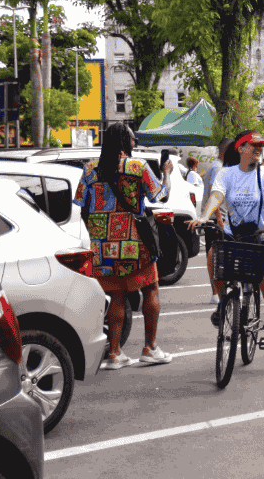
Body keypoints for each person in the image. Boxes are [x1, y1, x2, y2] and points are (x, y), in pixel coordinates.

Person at [74, 122, 174, 369]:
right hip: (134, 243)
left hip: (103, 246)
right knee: (150, 288)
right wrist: (167, 173)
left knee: (117, 295)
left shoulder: (89, 170)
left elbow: (79, 204)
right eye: (132, 139)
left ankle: (115, 353)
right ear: (124, 142)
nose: (134, 143)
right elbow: (161, 196)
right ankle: (150, 348)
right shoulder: (137, 167)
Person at [191, 130, 264, 372]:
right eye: (253, 145)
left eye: (261, 146)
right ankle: (221, 300)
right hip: (236, 236)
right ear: (241, 148)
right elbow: (217, 196)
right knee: (214, 254)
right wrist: (204, 216)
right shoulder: (227, 174)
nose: (259, 149)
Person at [202, 138, 233, 304]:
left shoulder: (220, 166)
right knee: (215, 257)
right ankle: (216, 292)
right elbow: (215, 195)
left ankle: (219, 291)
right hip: (216, 219)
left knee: (218, 256)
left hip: (218, 219)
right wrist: (221, 219)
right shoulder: (217, 167)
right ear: (226, 150)